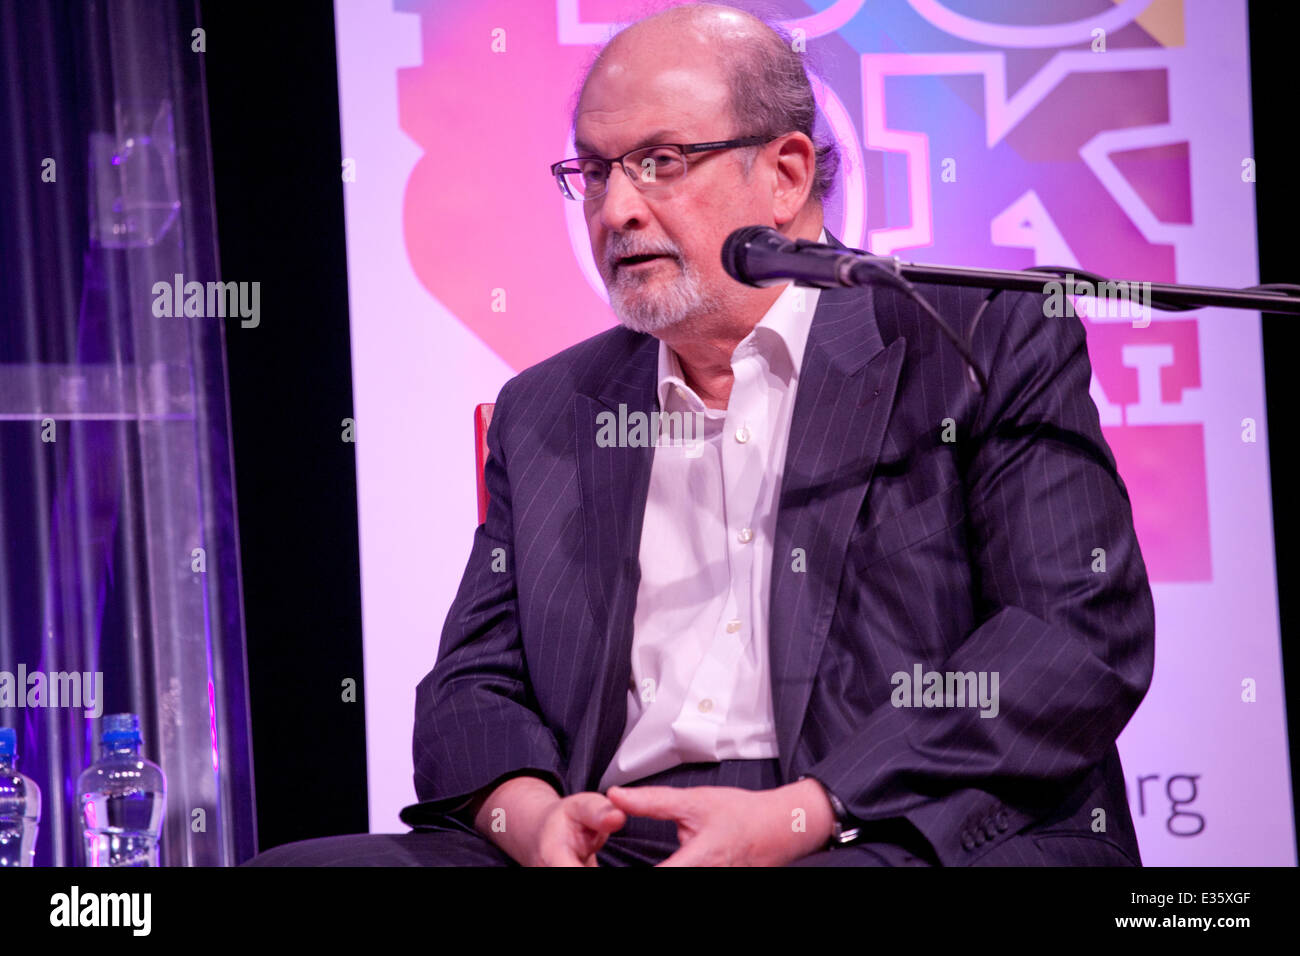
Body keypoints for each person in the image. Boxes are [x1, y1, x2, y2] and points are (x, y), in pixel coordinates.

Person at [246, 1, 1154, 867]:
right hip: (618, 837)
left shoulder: (973, 340)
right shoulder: (551, 409)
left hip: (888, 824)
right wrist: (531, 818)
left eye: (662, 161)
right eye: (595, 171)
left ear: (788, 174)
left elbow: (1073, 637)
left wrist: (805, 811)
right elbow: (469, 687)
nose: (615, 211)